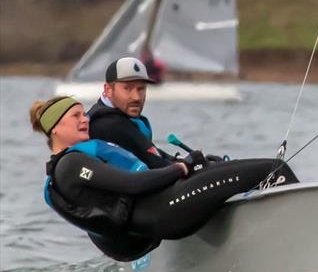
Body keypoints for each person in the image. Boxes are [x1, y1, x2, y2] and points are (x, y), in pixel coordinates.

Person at [30, 96, 298, 262]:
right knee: (274, 169)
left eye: (83, 114)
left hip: (163, 212)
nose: (85, 120)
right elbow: (132, 184)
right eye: (75, 116)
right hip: (167, 211)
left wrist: (189, 167)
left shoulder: (73, 162)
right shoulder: (71, 164)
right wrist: (183, 167)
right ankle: (302, 244)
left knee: (243, 171)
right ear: (55, 128)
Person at [87, 57, 175, 169]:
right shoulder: (108, 125)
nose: (136, 97)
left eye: (141, 89)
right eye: (127, 88)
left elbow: (151, 152)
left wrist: (181, 159)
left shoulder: (113, 115)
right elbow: (156, 163)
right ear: (108, 90)